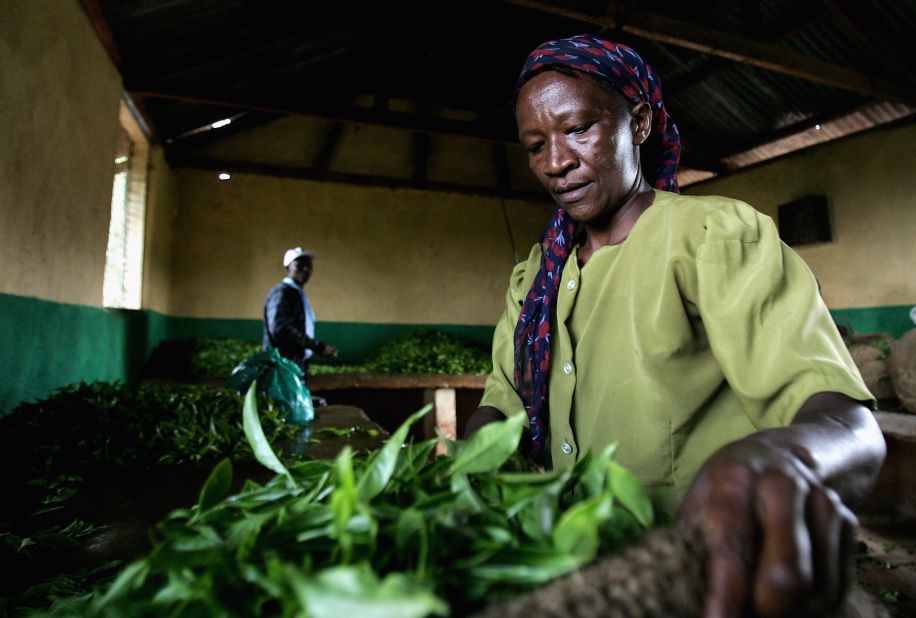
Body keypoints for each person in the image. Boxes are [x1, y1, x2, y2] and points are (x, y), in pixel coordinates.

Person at [466, 34, 886, 617]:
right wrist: (471, 468)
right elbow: (501, 404)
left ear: (637, 122)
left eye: (579, 129)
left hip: (706, 577)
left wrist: (785, 461)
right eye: (536, 144)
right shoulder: (535, 278)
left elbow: (845, 421)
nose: (556, 161)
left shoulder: (713, 237)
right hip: (584, 584)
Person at [263, 246, 337, 383]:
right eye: (299, 265)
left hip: (296, 364)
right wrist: (317, 346)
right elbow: (281, 329)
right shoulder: (282, 293)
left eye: (308, 265)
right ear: (287, 268)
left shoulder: (297, 294)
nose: (305, 269)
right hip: (283, 365)